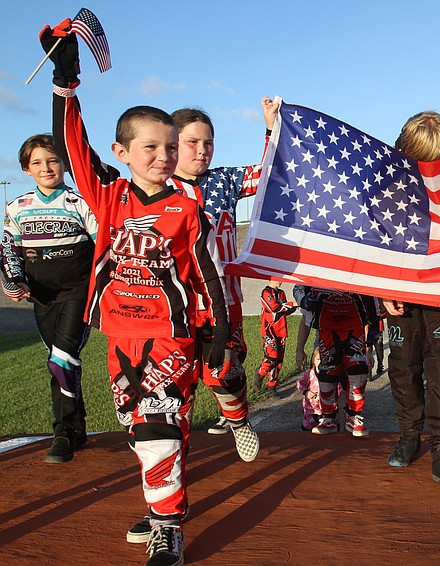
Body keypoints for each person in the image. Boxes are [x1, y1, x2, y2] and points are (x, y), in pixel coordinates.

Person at [43, 21, 230, 565]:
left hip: (171, 338)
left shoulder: (186, 206)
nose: (165, 157)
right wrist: (65, 81)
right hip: (120, 338)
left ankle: (167, 526)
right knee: (149, 429)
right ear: (122, 151)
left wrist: (218, 331)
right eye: (151, 147)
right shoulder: (108, 195)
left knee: (155, 426)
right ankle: (166, 506)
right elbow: (69, 147)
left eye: (171, 148)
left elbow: (204, 271)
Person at [167, 103, 275, 454]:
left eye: (208, 143)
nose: (202, 151)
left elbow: (270, 173)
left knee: (225, 374)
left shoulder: (225, 180)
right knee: (173, 382)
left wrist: (271, 130)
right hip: (173, 306)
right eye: (192, 142)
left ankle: (239, 421)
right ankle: (174, 449)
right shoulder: (157, 187)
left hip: (222, 304)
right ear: (172, 143)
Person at [383, 111, 440, 488]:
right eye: (419, 162)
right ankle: (408, 436)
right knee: (402, 366)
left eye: (434, 162)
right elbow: (374, 233)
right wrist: (382, 288)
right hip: (400, 288)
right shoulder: (385, 171)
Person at [2, 133, 97, 463]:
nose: (46, 168)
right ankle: (78, 427)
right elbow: (9, 249)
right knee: (63, 362)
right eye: (38, 162)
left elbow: (104, 247)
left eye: (53, 160)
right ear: (26, 169)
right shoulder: (16, 207)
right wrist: (13, 279)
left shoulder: (80, 203)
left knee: (60, 359)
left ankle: (63, 432)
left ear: (65, 165)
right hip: (42, 298)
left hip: (79, 294)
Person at [299, 286, 378, 437]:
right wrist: (303, 300)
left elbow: (370, 291)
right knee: (327, 372)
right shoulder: (317, 264)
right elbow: (299, 285)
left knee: (358, 370)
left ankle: (354, 416)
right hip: (327, 326)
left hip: (354, 325)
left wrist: (374, 324)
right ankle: (328, 418)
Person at [255, 279, 298, 396]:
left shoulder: (281, 293)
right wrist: (291, 304)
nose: (280, 281)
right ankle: (260, 374)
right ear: (270, 278)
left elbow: (283, 310)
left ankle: (272, 387)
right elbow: (274, 308)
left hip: (281, 329)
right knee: (272, 355)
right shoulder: (266, 292)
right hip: (268, 329)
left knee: (279, 359)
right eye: (277, 278)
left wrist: (293, 308)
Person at [296, 347, 323, 431]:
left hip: (325, 409)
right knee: (308, 427)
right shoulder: (310, 373)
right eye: (318, 359)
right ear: (314, 361)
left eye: (324, 360)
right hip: (310, 409)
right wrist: (306, 392)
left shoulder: (331, 374)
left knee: (326, 428)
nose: (321, 362)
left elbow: (338, 387)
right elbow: (300, 383)